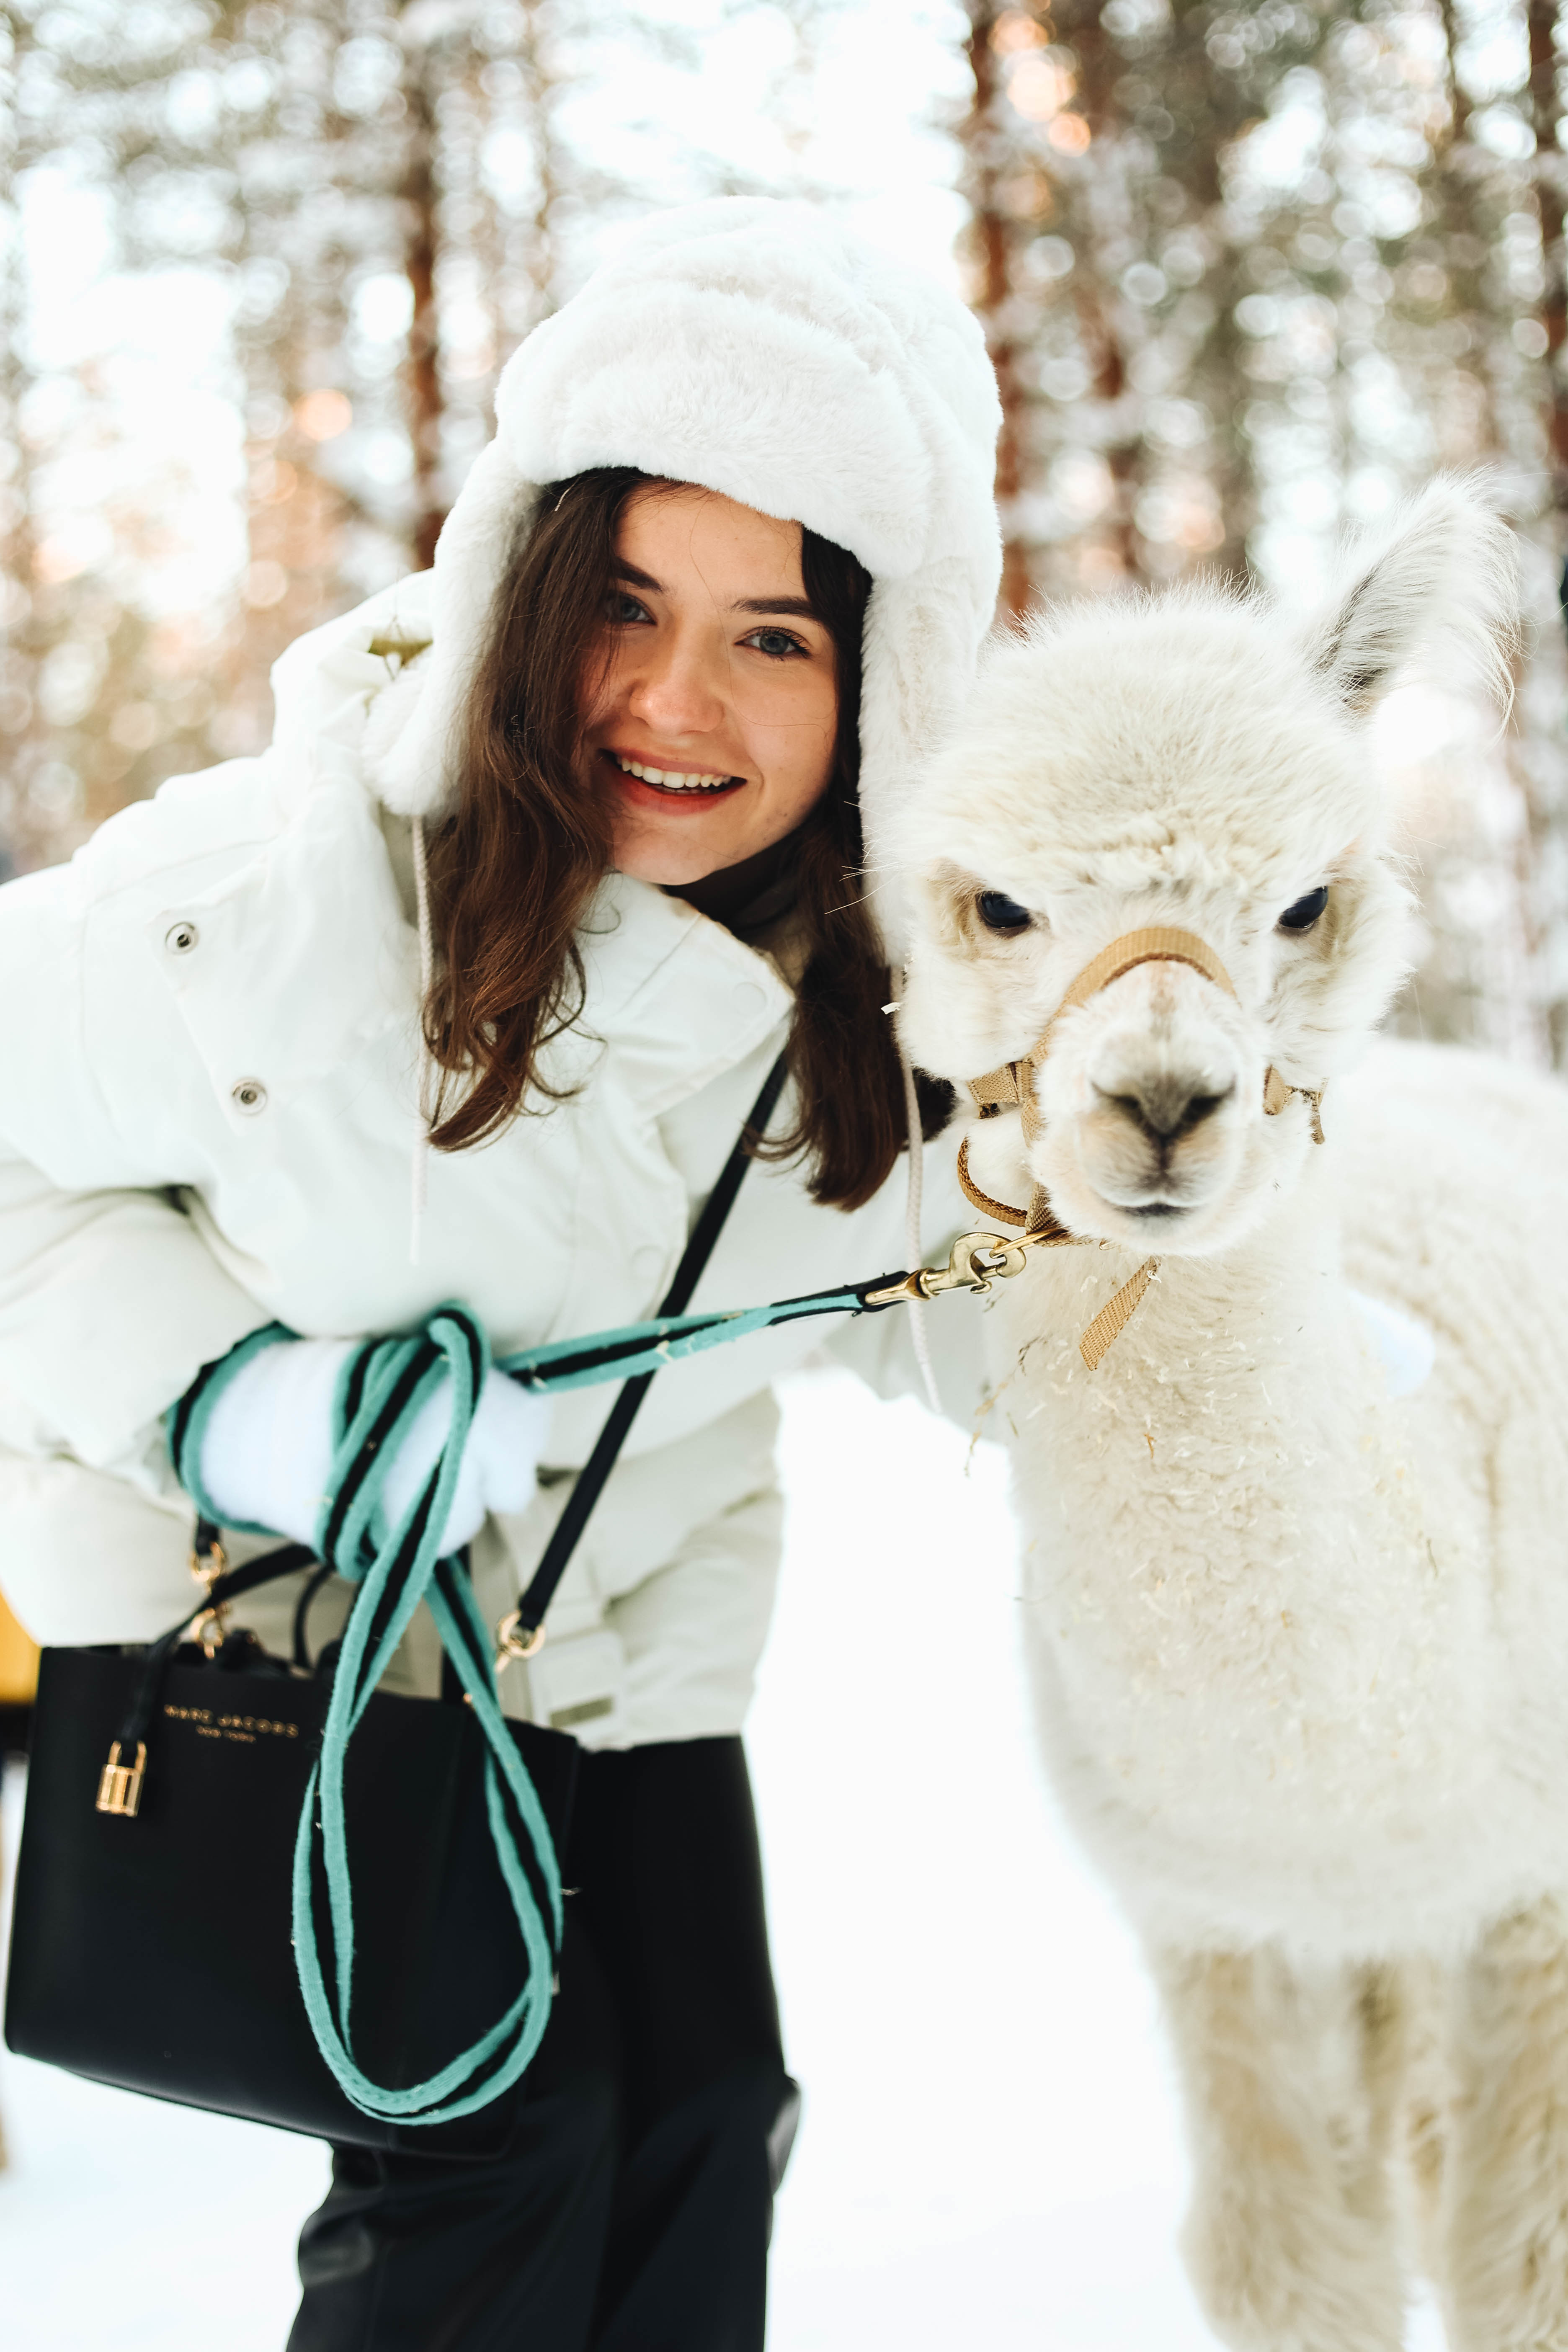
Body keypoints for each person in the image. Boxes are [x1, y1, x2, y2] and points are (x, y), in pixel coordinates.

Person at [0, 199, 1002, 2348]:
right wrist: (224, 1396)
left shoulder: (886, 1005)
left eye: (775, 638)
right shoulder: (271, 899)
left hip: (626, 1660)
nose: (674, 701)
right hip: (289, 1643)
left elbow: (1007, 1307)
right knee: (493, 2151)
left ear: (883, 685)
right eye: (626, 603)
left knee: (703, 2123)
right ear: (522, 586)